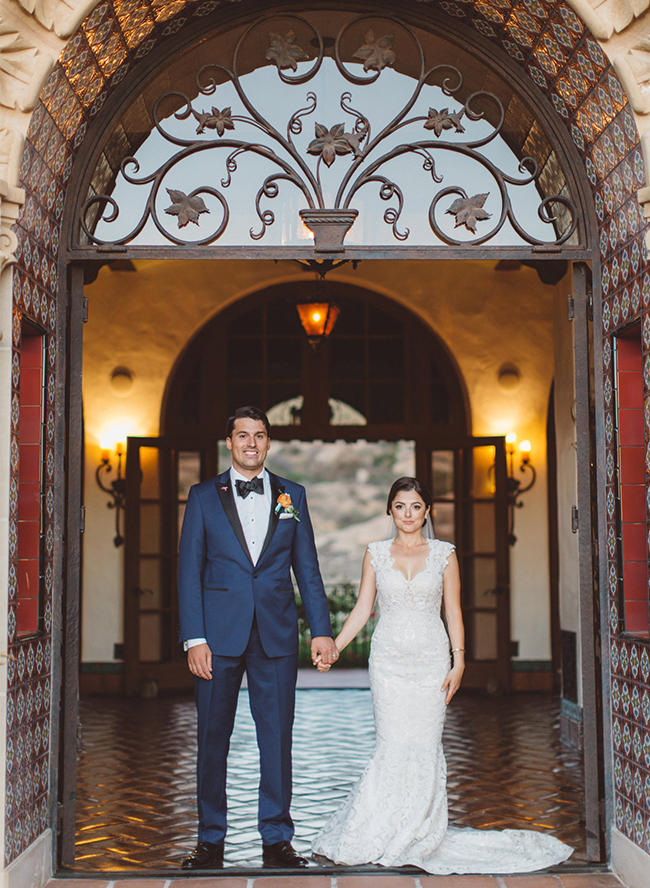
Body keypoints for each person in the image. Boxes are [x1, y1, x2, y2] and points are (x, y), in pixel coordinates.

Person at [312, 476, 573, 874]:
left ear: (427, 511)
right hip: (388, 664)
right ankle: (382, 829)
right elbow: (363, 609)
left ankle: (420, 831)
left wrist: (459, 661)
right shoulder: (375, 554)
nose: (408, 514)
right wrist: (335, 648)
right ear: (389, 510)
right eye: (400, 506)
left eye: (416, 506)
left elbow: (453, 611)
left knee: (424, 745)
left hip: (431, 663)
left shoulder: (444, 555)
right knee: (392, 744)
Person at [178, 406, 338, 870]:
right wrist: (194, 638)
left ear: (269, 442)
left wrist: (321, 631)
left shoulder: (292, 495)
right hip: (216, 638)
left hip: (276, 635)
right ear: (229, 442)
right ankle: (210, 840)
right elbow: (189, 572)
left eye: (260, 435)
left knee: (277, 739)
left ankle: (277, 840)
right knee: (212, 739)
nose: (252, 443)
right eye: (243, 435)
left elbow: (307, 568)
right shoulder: (203, 496)